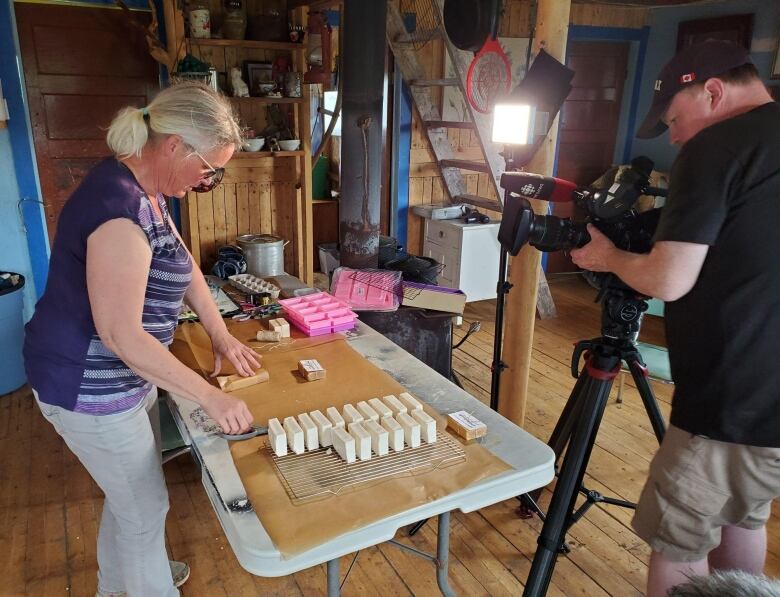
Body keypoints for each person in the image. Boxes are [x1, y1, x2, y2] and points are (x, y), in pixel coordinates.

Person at [23, 81, 260, 597]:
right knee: (144, 508)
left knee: (132, 501)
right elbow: (120, 335)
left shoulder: (149, 192)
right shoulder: (118, 212)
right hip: (87, 384)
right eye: (209, 168)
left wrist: (220, 335)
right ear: (174, 145)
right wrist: (207, 395)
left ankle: (119, 584)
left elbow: (185, 265)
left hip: (125, 379)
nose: (209, 180)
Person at [570, 40, 780, 597]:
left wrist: (604, 257)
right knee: (745, 514)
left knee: (679, 538)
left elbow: (668, 279)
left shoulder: (717, 149)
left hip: (732, 382)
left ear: (712, 91)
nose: (677, 136)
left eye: (675, 120)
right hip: (774, 389)